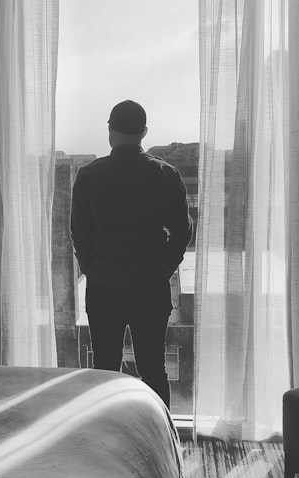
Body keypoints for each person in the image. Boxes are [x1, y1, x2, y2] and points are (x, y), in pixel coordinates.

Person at [70, 100, 193, 407]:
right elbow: (182, 232)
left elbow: (80, 233)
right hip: (149, 285)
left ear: (111, 131)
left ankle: (109, 434)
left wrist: (93, 267)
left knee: (105, 368)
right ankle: (162, 437)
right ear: (144, 132)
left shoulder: (89, 175)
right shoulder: (166, 174)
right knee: (153, 368)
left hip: (104, 286)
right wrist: (163, 268)